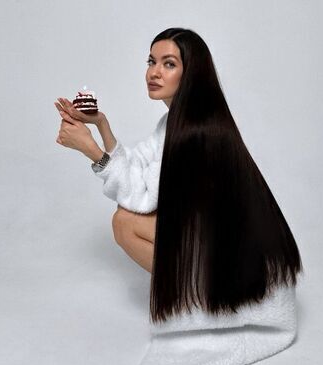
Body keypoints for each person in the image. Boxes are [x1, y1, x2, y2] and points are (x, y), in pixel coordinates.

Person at [54, 27, 304, 324]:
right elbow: (140, 164)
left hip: (233, 254)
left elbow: (142, 198)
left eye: (169, 64)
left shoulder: (194, 131)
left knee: (124, 222)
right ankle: (198, 287)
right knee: (127, 216)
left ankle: (200, 296)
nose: (154, 72)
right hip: (217, 238)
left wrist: (91, 151)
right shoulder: (177, 120)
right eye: (151, 61)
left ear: (191, 73)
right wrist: (101, 124)